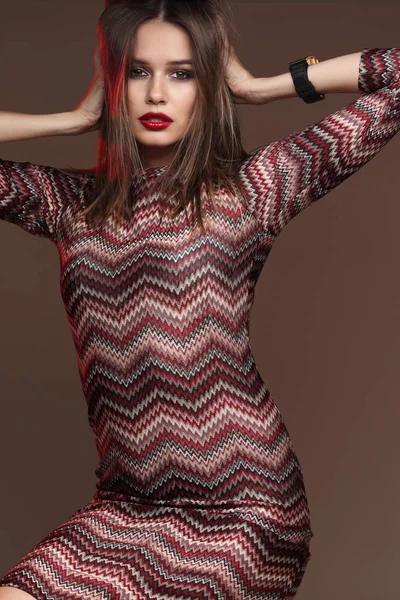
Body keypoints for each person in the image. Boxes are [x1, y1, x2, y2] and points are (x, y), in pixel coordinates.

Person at [0, 0, 399, 598]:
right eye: (136, 71)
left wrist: (262, 86)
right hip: (122, 505)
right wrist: (74, 116)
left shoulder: (253, 191)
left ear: (207, 84)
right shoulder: (68, 204)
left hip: (246, 512)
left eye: (183, 73)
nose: (157, 92)